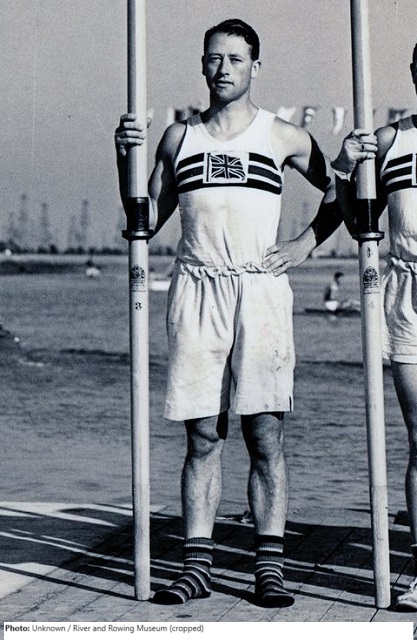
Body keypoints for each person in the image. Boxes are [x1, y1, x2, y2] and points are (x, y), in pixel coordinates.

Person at [115, 18, 358, 608]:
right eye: (213, 58)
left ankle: (268, 568)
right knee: (202, 436)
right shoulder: (178, 137)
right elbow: (143, 221)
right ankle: (196, 566)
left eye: (235, 59)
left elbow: (341, 188)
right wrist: (123, 156)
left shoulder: (283, 135)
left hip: (259, 290)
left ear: (255, 67)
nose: (223, 68)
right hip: (198, 289)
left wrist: (304, 245)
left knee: (264, 433)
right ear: (202, 64)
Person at [333, 43, 417, 612]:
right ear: (414, 71)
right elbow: (356, 220)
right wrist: (345, 168)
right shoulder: (391, 141)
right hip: (408, 292)